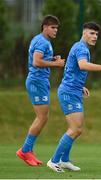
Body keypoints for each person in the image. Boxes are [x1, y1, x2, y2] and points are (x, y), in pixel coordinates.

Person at [47, 22, 101, 172]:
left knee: (76, 129)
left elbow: (72, 69)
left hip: (73, 90)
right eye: (92, 33)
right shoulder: (81, 48)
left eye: (97, 34)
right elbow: (83, 65)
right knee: (75, 129)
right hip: (68, 92)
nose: (95, 37)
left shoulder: (80, 47)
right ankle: (54, 161)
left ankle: (64, 160)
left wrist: (80, 86)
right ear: (84, 33)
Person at [16, 15, 65, 166]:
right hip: (37, 81)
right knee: (42, 117)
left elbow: (38, 59)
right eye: (53, 27)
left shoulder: (44, 41)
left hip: (40, 81)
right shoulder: (41, 41)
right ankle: (25, 150)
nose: (55, 30)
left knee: (43, 117)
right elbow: (36, 62)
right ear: (45, 27)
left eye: (57, 28)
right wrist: (56, 64)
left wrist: (51, 59)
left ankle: (28, 149)